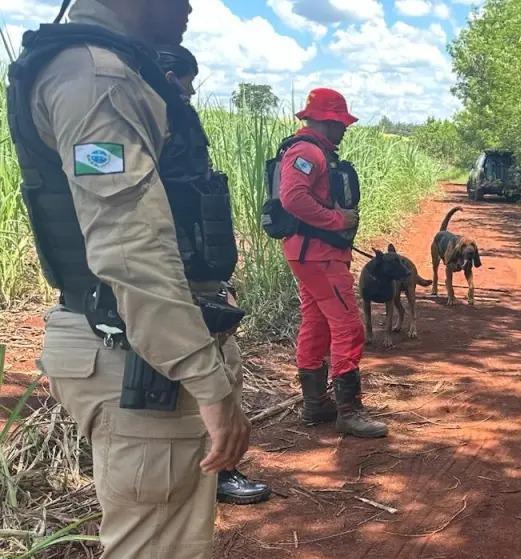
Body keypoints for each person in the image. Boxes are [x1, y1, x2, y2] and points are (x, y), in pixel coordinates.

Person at [7, 0, 250, 556]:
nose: (188, 6)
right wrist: (206, 381)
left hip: (139, 348)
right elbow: (130, 247)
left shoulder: (105, 69)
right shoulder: (99, 79)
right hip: (139, 356)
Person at [154, 42, 271, 506]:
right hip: (179, 282)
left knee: (222, 368)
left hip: (197, 277)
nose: (189, 95)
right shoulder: (156, 127)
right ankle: (217, 473)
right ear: (170, 79)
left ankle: (213, 471)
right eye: (187, 86)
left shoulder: (170, 129)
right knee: (213, 375)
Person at [276, 88, 387, 438]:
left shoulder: (310, 150)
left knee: (317, 324)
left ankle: (315, 405)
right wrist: (336, 220)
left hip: (310, 254)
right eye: (341, 123)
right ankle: (349, 412)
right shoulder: (307, 152)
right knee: (348, 327)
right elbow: (292, 197)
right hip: (319, 255)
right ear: (327, 121)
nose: (345, 129)